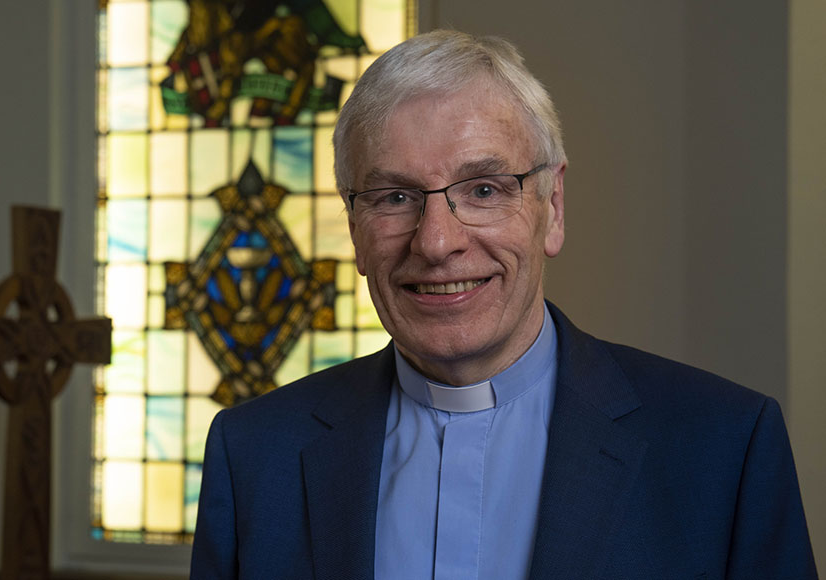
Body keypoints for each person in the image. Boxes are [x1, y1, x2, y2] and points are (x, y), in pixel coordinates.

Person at [190, 30, 817, 579]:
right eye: (394, 197)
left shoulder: (723, 447)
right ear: (353, 227)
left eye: (484, 188)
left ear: (554, 207)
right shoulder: (253, 458)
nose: (437, 242)